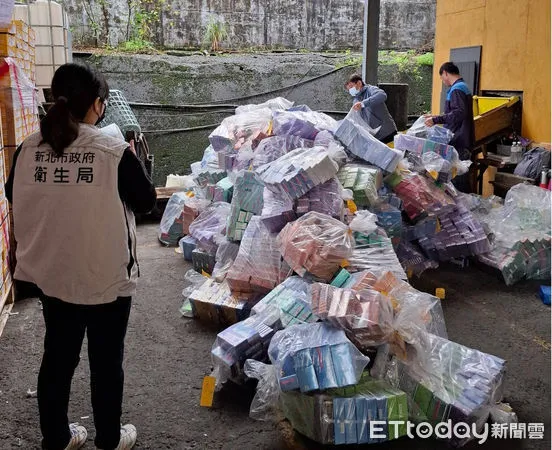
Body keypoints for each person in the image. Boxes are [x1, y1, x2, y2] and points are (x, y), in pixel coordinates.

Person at [5, 63, 156, 450]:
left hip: (53, 275)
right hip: (106, 276)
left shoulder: (27, 148)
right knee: (106, 363)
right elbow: (145, 201)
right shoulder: (112, 150)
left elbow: (12, 194)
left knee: (58, 357)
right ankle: (109, 439)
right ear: (98, 106)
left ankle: (56, 438)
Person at [424, 62, 475, 191]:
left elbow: (459, 113)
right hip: (463, 138)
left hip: (459, 139)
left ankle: (464, 209)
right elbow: (455, 112)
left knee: (459, 181)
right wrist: (435, 116)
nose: (443, 81)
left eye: (442, 77)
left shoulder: (457, 89)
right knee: (460, 179)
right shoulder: (462, 87)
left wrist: (436, 120)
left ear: (445, 73)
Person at [345, 74, 398, 143]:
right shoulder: (356, 100)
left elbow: (382, 95)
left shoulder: (370, 89)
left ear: (359, 83)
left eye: (351, 87)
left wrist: (363, 103)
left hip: (387, 132)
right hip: (374, 136)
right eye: (349, 90)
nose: (351, 91)